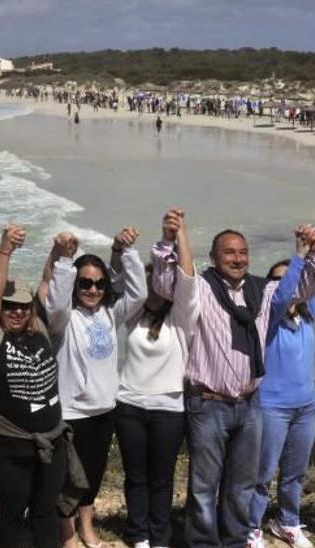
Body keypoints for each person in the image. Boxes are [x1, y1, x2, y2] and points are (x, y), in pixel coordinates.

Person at [151, 221, 315, 548]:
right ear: (214, 257)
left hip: (250, 404)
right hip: (208, 403)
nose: (238, 258)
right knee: (204, 486)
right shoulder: (200, 289)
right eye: (229, 252)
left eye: (243, 252)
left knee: (242, 485)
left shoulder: (262, 290)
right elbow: (166, 283)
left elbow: (299, 289)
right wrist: (169, 240)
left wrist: (307, 252)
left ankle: (235, 541)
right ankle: (203, 543)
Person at [0, 224, 80, 548]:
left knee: (45, 509)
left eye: (23, 306)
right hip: (4, 444)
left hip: (50, 441)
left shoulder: (40, 327)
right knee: (14, 508)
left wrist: (59, 254)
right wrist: (5, 251)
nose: (17, 311)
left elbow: (46, 283)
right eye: (9, 305)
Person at [43, 225, 146, 548]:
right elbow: (55, 304)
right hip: (71, 412)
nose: (92, 289)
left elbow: (139, 293)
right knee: (67, 479)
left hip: (104, 409)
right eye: (85, 282)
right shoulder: (64, 320)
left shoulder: (110, 315)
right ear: (75, 284)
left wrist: (127, 251)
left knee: (93, 476)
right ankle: (67, 533)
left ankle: (87, 528)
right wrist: (63, 260)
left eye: (99, 283)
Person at [115, 208, 198, 548]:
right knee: (136, 477)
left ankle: (159, 536)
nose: (152, 288)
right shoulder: (131, 315)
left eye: (157, 281)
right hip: (129, 405)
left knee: (162, 479)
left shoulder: (181, 318)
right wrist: (119, 248)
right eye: (146, 281)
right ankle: (138, 535)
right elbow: (116, 279)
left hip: (168, 408)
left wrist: (177, 236)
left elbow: (189, 281)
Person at [247, 226, 315, 548]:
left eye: (292, 278)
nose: (289, 284)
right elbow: (282, 296)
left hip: (306, 405)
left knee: (295, 472)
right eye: (280, 279)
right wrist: (298, 255)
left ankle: (288, 522)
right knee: (262, 472)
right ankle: (251, 527)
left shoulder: (309, 313)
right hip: (272, 406)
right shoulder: (267, 318)